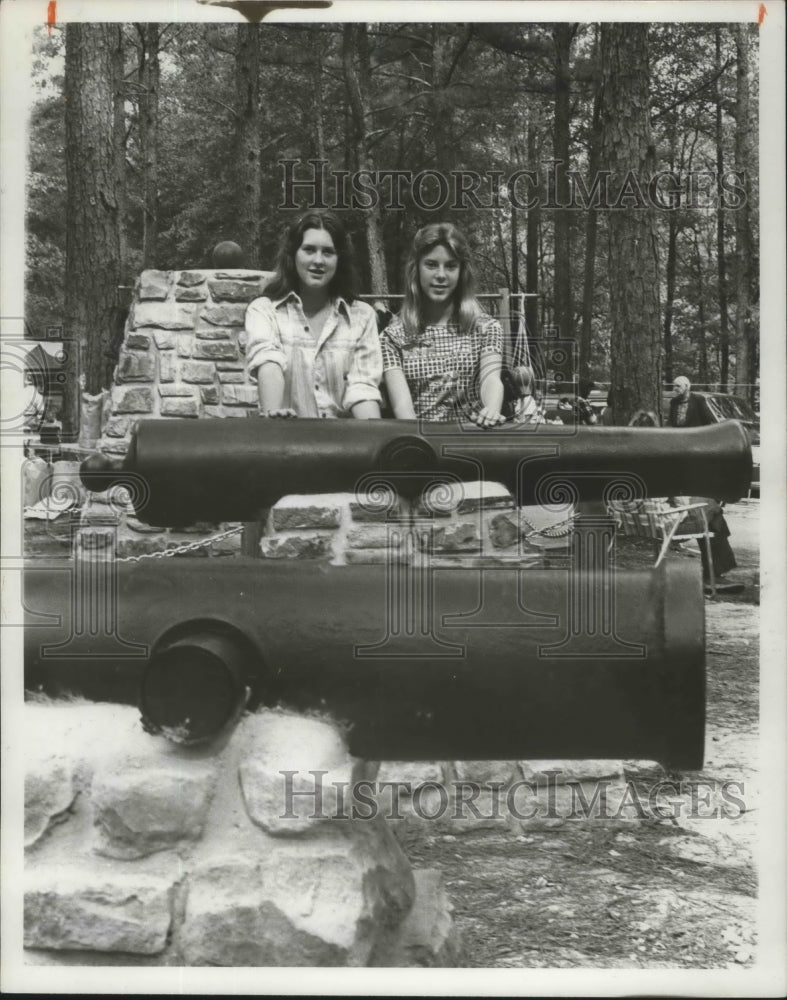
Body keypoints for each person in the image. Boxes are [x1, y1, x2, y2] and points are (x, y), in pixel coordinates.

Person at [245, 210, 382, 419]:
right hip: (286, 439)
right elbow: (268, 363)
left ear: (339, 259)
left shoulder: (363, 316)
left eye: (328, 252)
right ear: (293, 254)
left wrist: (374, 438)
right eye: (309, 250)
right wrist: (274, 416)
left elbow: (363, 389)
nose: (318, 260)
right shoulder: (264, 310)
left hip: (345, 443)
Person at [380, 223, 505, 427]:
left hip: (473, 441)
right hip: (419, 445)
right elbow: (403, 408)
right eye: (431, 265)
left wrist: (490, 410)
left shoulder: (486, 328)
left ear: (462, 272)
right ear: (416, 269)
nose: (440, 275)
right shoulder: (392, 337)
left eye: (450, 266)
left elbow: (491, 380)